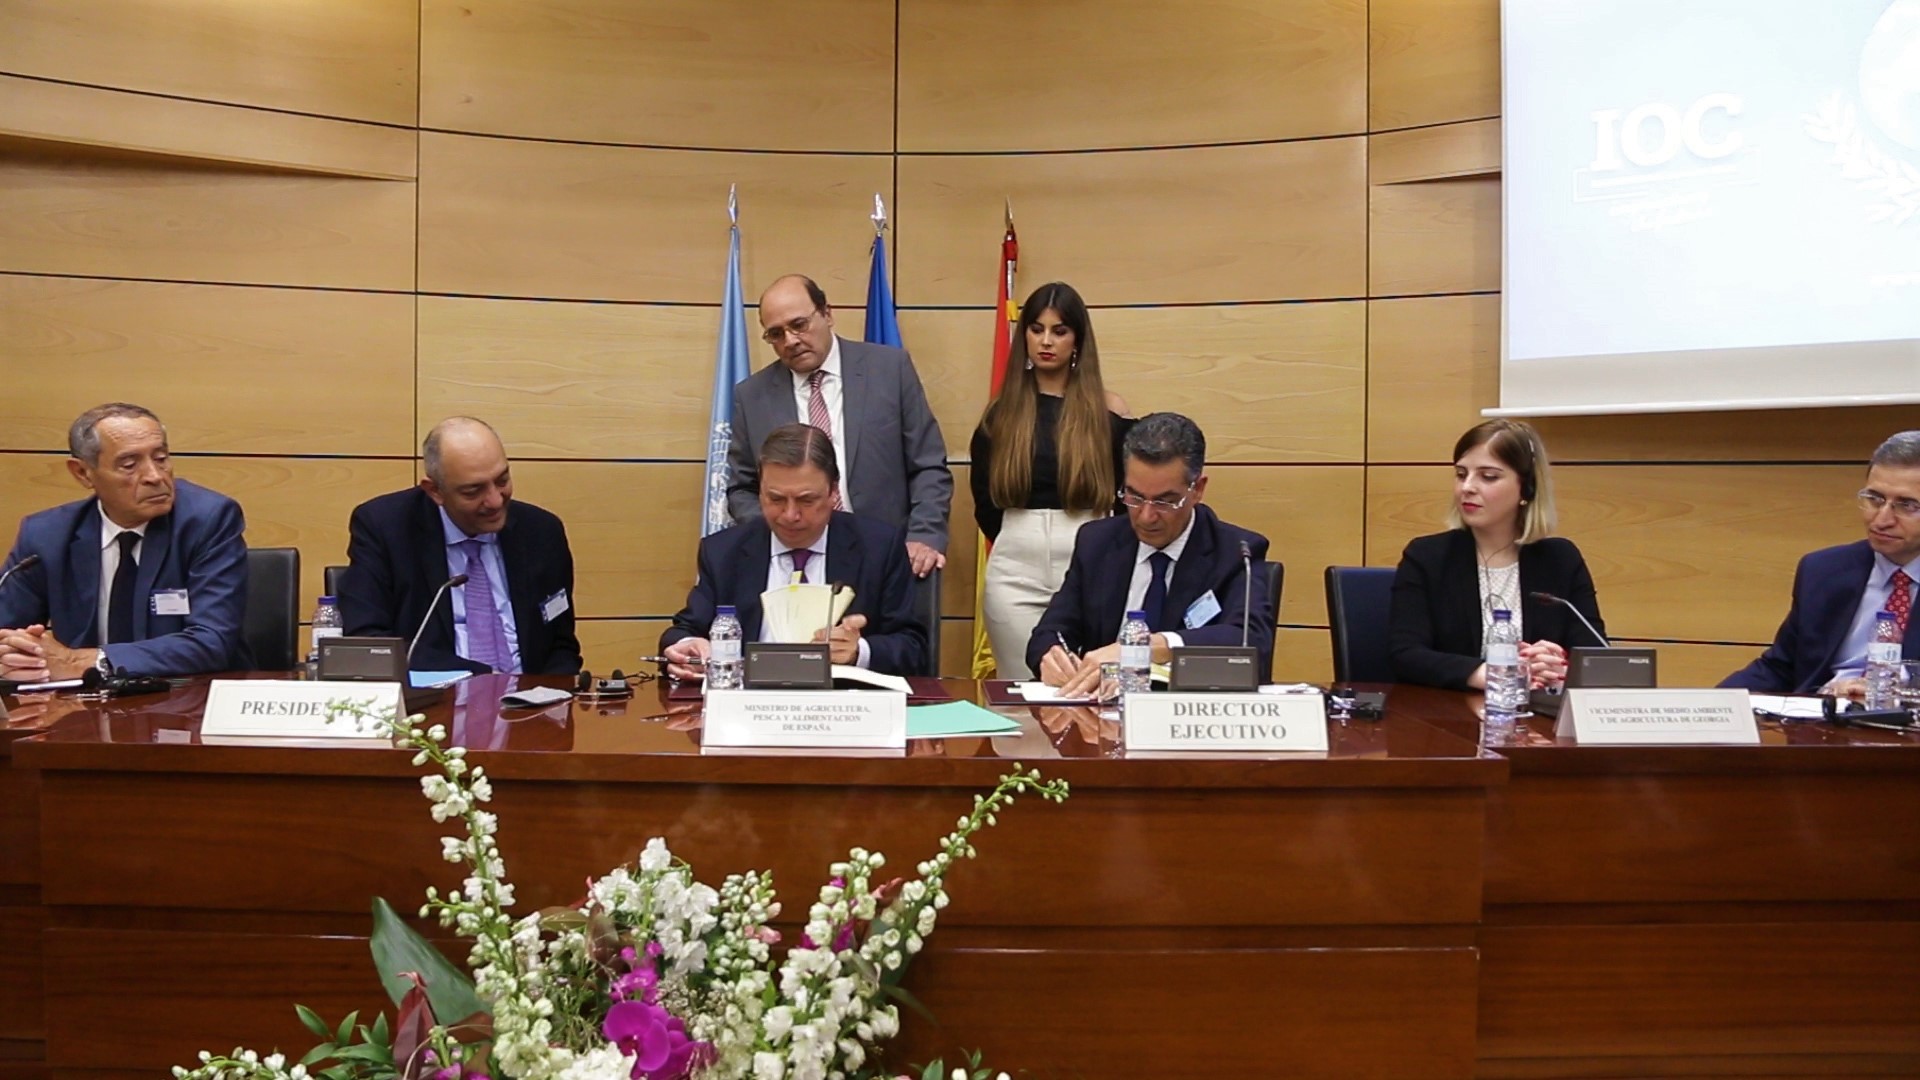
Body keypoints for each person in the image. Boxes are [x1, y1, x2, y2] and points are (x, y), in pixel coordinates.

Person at [1026, 412, 1274, 695]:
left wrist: (1147, 648)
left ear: (1197, 490)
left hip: (1186, 712)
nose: (1146, 516)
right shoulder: (1097, 542)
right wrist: (1051, 656)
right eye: (1134, 497)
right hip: (1101, 709)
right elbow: (1051, 632)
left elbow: (1250, 641)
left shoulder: (1236, 551)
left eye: (1165, 502)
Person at [0, 403, 249, 680]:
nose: (155, 476)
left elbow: (211, 642)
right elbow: (5, 630)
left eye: (161, 458)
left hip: (187, 695)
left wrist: (82, 662)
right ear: (83, 473)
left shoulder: (207, 520)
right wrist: (18, 653)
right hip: (81, 702)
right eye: (129, 465)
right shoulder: (46, 535)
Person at [726, 274, 953, 577]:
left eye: (799, 325)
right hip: (797, 563)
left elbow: (928, 465)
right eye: (776, 334)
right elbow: (741, 488)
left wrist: (924, 535)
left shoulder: (889, 370)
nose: (790, 340)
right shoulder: (752, 396)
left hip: (888, 557)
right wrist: (780, 532)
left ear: (827, 313)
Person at [664, 424, 927, 679]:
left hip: (843, 702)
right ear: (760, 492)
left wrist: (859, 652)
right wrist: (687, 648)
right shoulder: (723, 552)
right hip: (749, 701)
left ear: (833, 492)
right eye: (776, 499)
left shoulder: (878, 548)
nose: (790, 515)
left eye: (806, 500)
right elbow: (683, 632)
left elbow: (913, 648)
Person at [971, 282, 1134, 679]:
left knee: (1088, 689)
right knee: (1021, 695)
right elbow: (986, 505)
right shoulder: (1001, 415)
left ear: (1077, 339)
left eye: (1059, 331)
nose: (1046, 341)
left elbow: (1127, 498)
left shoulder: (1108, 411)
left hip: (1089, 566)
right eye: (1036, 329)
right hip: (1015, 573)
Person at [340, 417, 581, 675]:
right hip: (437, 695)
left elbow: (561, 645)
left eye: (502, 480)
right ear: (435, 491)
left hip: (531, 696)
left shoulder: (542, 532)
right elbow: (370, 643)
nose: (495, 501)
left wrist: (551, 693)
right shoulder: (385, 527)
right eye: (473, 491)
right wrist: (485, 680)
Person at [1388, 419, 1604, 691]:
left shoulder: (1561, 560)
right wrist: (1491, 674)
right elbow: (1405, 655)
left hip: (1536, 712)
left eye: (1488, 476)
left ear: (1527, 487)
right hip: (1449, 711)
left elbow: (1596, 655)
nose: (1467, 487)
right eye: (1461, 474)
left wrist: (1561, 667)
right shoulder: (1428, 557)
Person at [1721, 430, 1920, 695]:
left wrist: (1884, 695)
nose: (1882, 519)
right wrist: (1709, 707)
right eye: (1875, 499)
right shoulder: (1824, 570)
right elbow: (1780, 668)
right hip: (1821, 712)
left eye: (1907, 506)